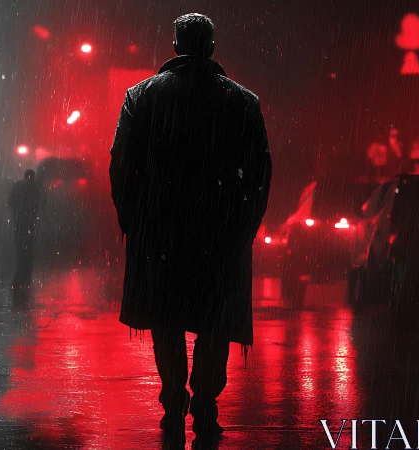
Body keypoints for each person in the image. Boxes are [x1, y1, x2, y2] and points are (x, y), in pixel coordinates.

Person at [109, 13, 272, 437]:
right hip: (220, 232)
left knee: (167, 318)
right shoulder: (242, 102)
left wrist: (133, 219)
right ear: (212, 47)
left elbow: (121, 165)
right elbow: (259, 174)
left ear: (176, 46)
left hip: (160, 229)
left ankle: (174, 394)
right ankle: (204, 397)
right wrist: (244, 226)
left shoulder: (141, 97)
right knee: (214, 320)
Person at [8, 169, 40, 288]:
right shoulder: (35, 188)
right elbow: (40, 203)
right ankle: (26, 276)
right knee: (28, 248)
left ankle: (20, 274)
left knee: (20, 247)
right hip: (29, 224)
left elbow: (10, 201)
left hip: (20, 222)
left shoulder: (19, 186)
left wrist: (16, 213)